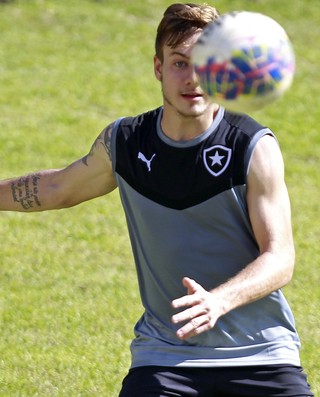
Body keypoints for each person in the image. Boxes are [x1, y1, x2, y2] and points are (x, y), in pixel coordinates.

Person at [0, 3, 314, 397]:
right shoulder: (126, 143)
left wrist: (218, 301)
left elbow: (280, 257)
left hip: (262, 356)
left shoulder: (251, 146)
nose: (193, 78)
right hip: (167, 358)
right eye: (180, 63)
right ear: (158, 68)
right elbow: (58, 188)